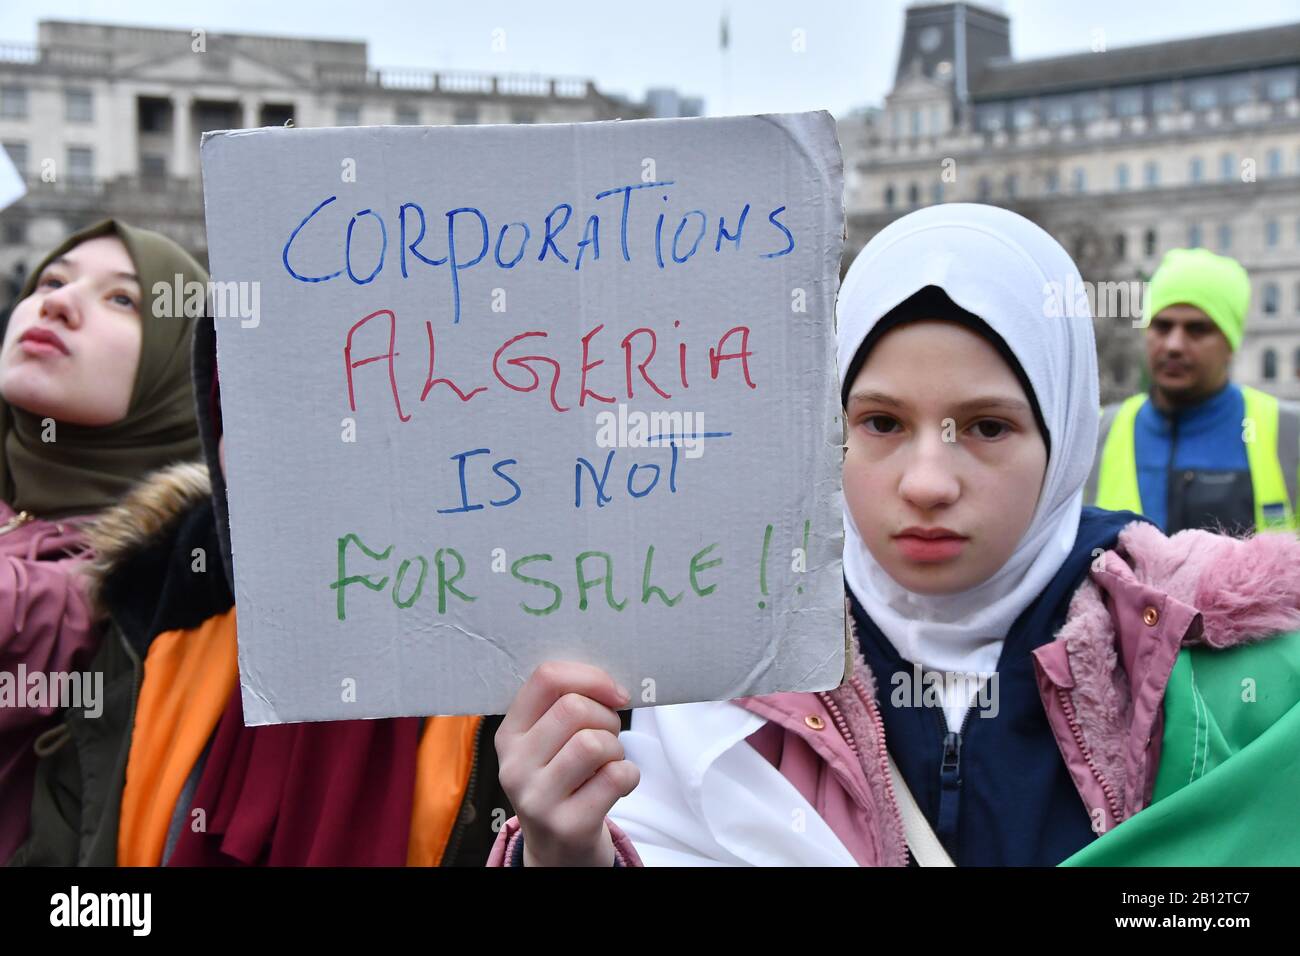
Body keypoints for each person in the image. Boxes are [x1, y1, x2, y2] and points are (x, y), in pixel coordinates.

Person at [487, 204, 1300, 867]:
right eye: (879, 422)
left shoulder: (1215, 666)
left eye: (985, 427)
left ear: (1063, 441)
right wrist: (566, 851)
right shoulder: (715, 668)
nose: (926, 482)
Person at [11, 310, 511, 867]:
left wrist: (555, 850)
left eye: (352, 386)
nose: (290, 441)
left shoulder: (526, 663)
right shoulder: (153, 611)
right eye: (254, 398)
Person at [0, 219, 202, 863]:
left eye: (122, 298)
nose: (57, 302)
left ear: (180, 365)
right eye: (51, 280)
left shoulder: (146, 579)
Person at [1087, 247, 1299, 535]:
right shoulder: (1094, 433)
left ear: (1231, 342)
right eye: (1162, 326)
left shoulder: (1290, 431)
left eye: (1197, 329)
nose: (1174, 344)